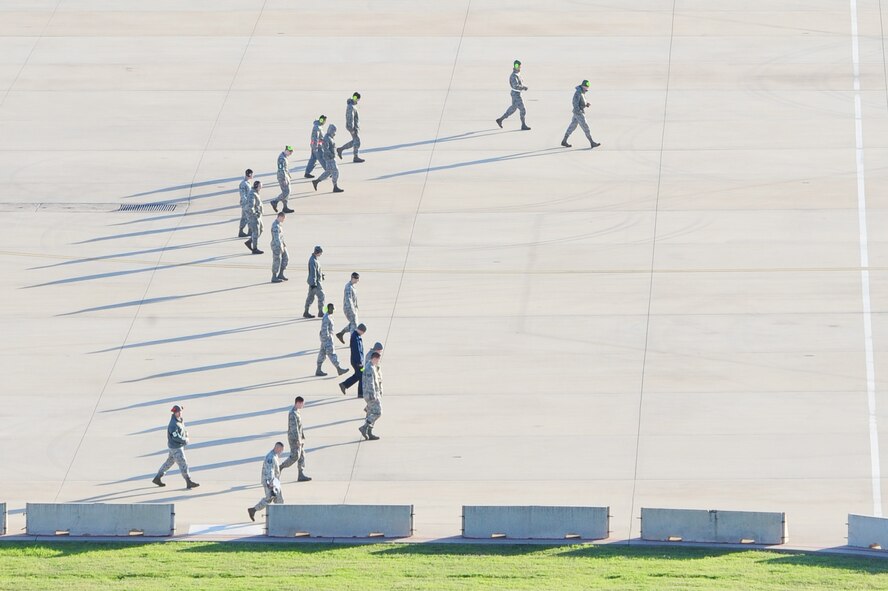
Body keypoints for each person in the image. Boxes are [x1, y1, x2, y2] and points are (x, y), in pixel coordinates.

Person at [152, 405, 199, 489]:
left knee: (169, 462)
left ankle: (157, 478)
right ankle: (188, 481)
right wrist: (185, 440)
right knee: (183, 463)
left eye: (180, 411)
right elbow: (175, 437)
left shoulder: (179, 420)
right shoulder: (173, 424)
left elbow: (182, 429)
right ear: (174, 413)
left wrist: (186, 433)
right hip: (176, 447)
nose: (180, 413)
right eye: (178, 412)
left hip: (174, 446)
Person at [247, 441, 284, 522]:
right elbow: (269, 471)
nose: (282, 452)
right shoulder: (270, 457)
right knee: (271, 498)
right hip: (270, 482)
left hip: (274, 482)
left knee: (277, 499)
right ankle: (254, 510)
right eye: (281, 450)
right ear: (277, 448)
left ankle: (279, 517)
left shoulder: (274, 456)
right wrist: (271, 483)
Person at [279, 396, 311, 482]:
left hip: (299, 438)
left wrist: (302, 438)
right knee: (295, 456)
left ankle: (301, 474)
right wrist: (298, 440)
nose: (303, 405)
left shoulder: (297, 412)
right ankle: (280, 467)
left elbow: (300, 427)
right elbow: (294, 428)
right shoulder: (292, 413)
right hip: (294, 439)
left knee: (302, 455)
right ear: (298, 403)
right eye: (302, 404)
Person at [561, 79, 600, 149]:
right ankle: (592, 142)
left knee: (572, 126)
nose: (587, 87)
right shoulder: (578, 93)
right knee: (586, 127)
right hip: (579, 113)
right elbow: (574, 103)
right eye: (586, 86)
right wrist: (579, 111)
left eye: (588, 86)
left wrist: (586, 104)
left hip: (577, 112)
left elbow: (581, 102)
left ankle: (564, 141)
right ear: (583, 85)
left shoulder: (582, 92)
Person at [495, 60, 530, 131]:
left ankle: (500, 120)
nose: (518, 67)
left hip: (516, 94)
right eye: (516, 66)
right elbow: (515, 86)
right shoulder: (513, 76)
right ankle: (523, 125)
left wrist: (523, 86)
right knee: (523, 110)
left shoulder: (518, 74)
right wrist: (524, 87)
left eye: (519, 66)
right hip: (516, 95)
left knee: (512, 109)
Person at [316, 303, 349, 377]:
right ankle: (339, 369)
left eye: (333, 309)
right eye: (332, 309)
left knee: (322, 353)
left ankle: (318, 369)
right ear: (329, 308)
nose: (333, 310)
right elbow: (324, 329)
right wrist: (327, 340)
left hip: (326, 338)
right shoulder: (326, 317)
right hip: (327, 338)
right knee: (331, 353)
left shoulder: (329, 316)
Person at [311, 125, 344, 193]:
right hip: (329, 158)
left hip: (330, 157)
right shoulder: (326, 138)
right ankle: (335, 186)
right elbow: (325, 149)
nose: (334, 133)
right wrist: (331, 155)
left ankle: (316, 181)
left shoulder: (330, 137)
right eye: (334, 131)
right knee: (335, 171)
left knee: (328, 172)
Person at [359, 352, 383, 440]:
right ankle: (364, 427)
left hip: (372, 394)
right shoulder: (369, 368)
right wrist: (373, 395)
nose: (378, 362)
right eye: (378, 360)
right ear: (374, 358)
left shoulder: (373, 367)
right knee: (378, 412)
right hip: (371, 395)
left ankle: (369, 433)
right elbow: (370, 383)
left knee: (370, 413)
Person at [339, 323, 366, 397]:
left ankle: (344, 385)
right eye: (363, 332)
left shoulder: (357, 336)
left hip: (357, 361)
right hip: (356, 361)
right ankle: (360, 393)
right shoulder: (355, 337)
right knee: (362, 376)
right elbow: (356, 351)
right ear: (361, 330)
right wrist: (360, 362)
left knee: (358, 375)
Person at [337, 92, 364, 163]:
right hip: (352, 127)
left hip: (354, 127)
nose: (358, 101)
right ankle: (355, 157)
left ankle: (341, 149)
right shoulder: (351, 106)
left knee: (355, 141)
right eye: (358, 99)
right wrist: (351, 129)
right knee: (357, 142)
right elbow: (350, 118)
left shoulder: (353, 105)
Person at [335, 272, 360, 343]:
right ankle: (353, 342)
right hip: (348, 308)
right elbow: (348, 299)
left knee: (353, 323)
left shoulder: (352, 286)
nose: (358, 280)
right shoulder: (348, 287)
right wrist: (352, 310)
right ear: (352, 278)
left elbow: (354, 299)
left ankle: (341, 333)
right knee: (354, 324)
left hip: (353, 308)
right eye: (357, 278)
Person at [271, 146, 295, 213]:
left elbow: (285, 168)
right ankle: (275, 201)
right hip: (282, 177)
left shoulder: (285, 157)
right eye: (290, 152)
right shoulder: (282, 158)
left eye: (291, 152)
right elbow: (281, 169)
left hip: (285, 176)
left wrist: (288, 176)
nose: (290, 153)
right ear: (286, 150)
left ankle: (285, 207)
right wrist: (284, 179)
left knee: (287, 191)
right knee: (286, 192)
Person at [303, 245, 325, 318]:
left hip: (314, 282)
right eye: (320, 253)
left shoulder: (315, 259)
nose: (321, 254)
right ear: (318, 252)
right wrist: (314, 284)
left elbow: (317, 271)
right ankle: (321, 312)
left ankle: (306, 312)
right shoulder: (313, 260)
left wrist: (321, 275)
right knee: (321, 296)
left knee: (310, 297)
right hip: (316, 283)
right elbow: (313, 272)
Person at [244, 180, 264, 254]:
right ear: (257, 187)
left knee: (261, 229)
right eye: (260, 186)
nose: (261, 188)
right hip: (253, 216)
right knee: (256, 232)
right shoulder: (252, 194)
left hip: (257, 216)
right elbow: (250, 207)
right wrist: (255, 215)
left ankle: (249, 242)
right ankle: (254, 249)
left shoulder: (256, 192)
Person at [270, 212, 288, 283]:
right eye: (283, 218)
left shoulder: (279, 225)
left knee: (286, 258)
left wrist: (283, 244)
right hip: (276, 246)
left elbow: (281, 236)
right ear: (280, 217)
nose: (284, 219)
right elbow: (276, 238)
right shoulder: (275, 226)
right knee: (277, 260)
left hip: (281, 245)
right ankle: (274, 276)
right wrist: (280, 246)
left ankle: (281, 274)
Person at [238, 169, 253, 237]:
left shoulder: (247, 183)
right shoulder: (243, 184)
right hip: (246, 204)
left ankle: (241, 231)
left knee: (244, 217)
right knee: (249, 217)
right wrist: (247, 203)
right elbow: (243, 195)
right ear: (249, 175)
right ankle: (249, 231)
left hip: (246, 203)